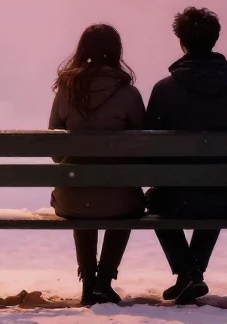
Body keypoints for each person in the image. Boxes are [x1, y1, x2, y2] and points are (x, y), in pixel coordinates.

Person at [145, 7, 227, 304]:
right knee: (218, 188)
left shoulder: (164, 90)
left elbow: (149, 147)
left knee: (156, 200)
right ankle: (190, 274)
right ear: (215, 39)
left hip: (176, 196)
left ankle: (188, 272)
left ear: (182, 42)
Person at [48, 23, 145, 306]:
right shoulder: (128, 94)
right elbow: (143, 148)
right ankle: (104, 281)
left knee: (81, 188)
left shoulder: (66, 90)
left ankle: (89, 281)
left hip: (73, 199)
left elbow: (55, 151)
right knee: (123, 198)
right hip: (120, 201)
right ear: (116, 53)